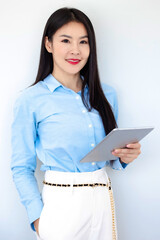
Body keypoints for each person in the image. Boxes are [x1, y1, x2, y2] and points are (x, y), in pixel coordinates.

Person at [11, 7, 141, 240]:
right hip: (60, 206)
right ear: (48, 45)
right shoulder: (30, 100)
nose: (75, 50)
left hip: (102, 199)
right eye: (65, 40)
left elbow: (112, 157)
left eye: (83, 42)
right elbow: (21, 168)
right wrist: (39, 220)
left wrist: (125, 156)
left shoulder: (106, 95)